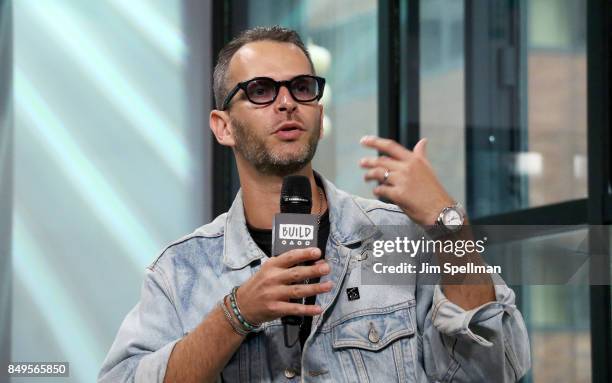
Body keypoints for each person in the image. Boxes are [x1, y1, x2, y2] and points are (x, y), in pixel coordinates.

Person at [98, 26, 530, 383]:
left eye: (302, 88)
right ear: (223, 127)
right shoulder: (182, 271)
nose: (287, 102)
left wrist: (449, 225)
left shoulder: (394, 239)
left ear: (319, 114)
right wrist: (237, 314)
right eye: (261, 90)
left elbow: (494, 369)